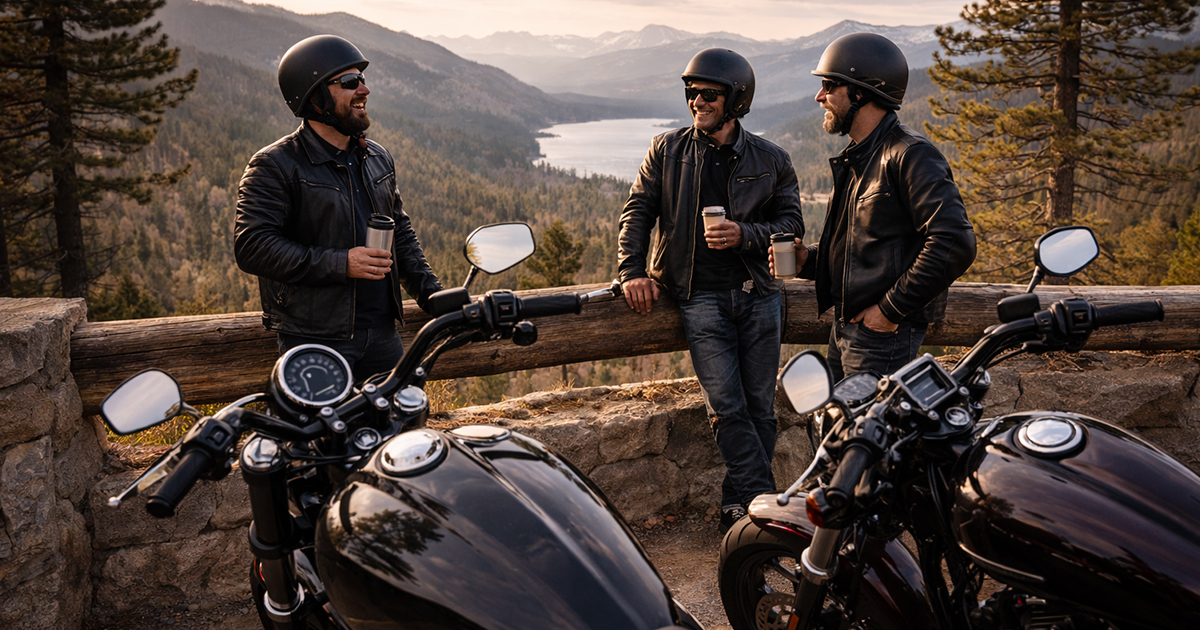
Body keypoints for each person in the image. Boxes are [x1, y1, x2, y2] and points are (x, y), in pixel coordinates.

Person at [618, 48, 805, 533]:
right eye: (691, 92)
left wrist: (744, 234)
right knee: (727, 407)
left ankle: (737, 504)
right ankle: (766, 510)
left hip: (759, 294)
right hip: (698, 297)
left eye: (708, 94)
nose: (696, 101)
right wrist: (631, 270)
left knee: (760, 408)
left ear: (736, 100)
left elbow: (790, 224)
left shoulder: (772, 159)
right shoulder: (667, 149)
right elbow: (637, 212)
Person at [235, 35, 442, 382]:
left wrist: (432, 294)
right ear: (313, 96)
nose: (364, 90)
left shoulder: (377, 158)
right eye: (349, 82)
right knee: (321, 434)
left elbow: (400, 235)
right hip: (315, 340)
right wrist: (342, 263)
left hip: (384, 336)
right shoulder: (275, 165)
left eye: (362, 79)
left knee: (400, 429)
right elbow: (252, 247)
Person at [772, 32, 976, 383]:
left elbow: (955, 242)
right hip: (849, 327)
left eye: (829, 85)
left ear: (861, 91)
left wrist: (889, 310)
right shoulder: (861, 156)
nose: (819, 96)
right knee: (845, 429)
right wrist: (810, 261)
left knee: (871, 433)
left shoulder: (910, 155)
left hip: (881, 334)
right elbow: (869, 248)